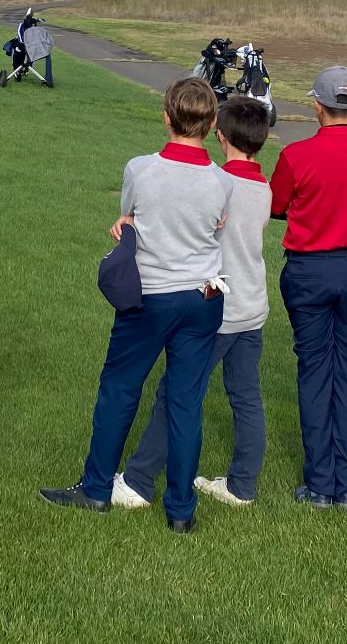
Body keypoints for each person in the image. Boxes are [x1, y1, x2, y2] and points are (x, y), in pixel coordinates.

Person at [41, 78, 230, 531]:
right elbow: (215, 227)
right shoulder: (222, 180)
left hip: (149, 295)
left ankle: (96, 488)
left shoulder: (141, 169)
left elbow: (130, 213)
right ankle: (181, 511)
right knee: (186, 402)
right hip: (203, 296)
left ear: (166, 117)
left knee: (120, 389)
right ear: (212, 124)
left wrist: (128, 223)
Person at [112, 95, 272, 510]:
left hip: (218, 301)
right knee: (246, 396)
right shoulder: (264, 187)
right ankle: (242, 484)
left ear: (221, 135)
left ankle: (138, 481)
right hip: (253, 303)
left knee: (177, 394)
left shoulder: (223, 184)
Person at [268, 66, 347, 512]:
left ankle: (321, 483)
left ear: (317, 106)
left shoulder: (297, 155)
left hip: (309, 270)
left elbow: (276, 205)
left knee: (315, 371)